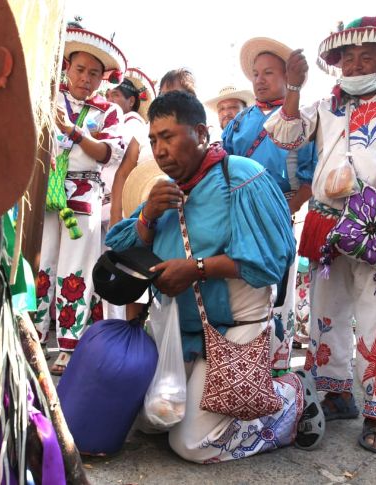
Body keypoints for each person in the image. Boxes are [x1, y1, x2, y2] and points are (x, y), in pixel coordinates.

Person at [106, 91, 325, 462]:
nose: (159, 150)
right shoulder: (164, 191)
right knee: (152, 420)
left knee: (190, 444)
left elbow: (272, 260)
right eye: (153, 140)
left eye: (169, 137)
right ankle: (236, 395)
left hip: (235, 329)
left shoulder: (241, 177)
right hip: (183, 332)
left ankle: (288, 397)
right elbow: (121, 247)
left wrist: (196, 269)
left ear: (201, 134)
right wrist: (147, 217)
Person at [265, 16, 376, 454]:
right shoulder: (326, 103)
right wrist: (293, 86)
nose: (355, 65)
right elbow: (285, 134)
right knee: (327, 312)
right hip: (328, 222)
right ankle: (337, 393)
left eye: (367, 57)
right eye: (348, 58)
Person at [34, 27, 127, 375]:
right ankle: (35, 335)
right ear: (67, 68)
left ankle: (69, 346)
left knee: (76, 270)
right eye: (80, 70)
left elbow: (104, 153)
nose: (85, 79)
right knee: (41, 264)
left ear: (104, 79)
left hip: (85, 196)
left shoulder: (109, 112)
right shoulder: (47, 98)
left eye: (94, 74)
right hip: (45, 194)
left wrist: (74, 133)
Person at [223, 37, 317, 374]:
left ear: (287, 76)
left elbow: (309, 179)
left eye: (269, 73)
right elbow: (222, 162)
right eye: (256, 74)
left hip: (279, 216)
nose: (260, 80)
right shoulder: (241, 119)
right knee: (240, 285)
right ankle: (239, 359)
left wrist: (284, 210)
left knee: (279, 292)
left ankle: (275, 366)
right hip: (238, 216)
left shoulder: (304, 120)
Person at [103, 67, 157, 319]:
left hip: (149, 212)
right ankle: (127, 332)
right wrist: (117, 215)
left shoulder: (134, 125)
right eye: (109, 95)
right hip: (130, 210)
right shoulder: (137, 130)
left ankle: (128, 330)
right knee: (130, 271)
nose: (110, 100)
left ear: (132, 100)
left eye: (115, 95)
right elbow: (122, 173)